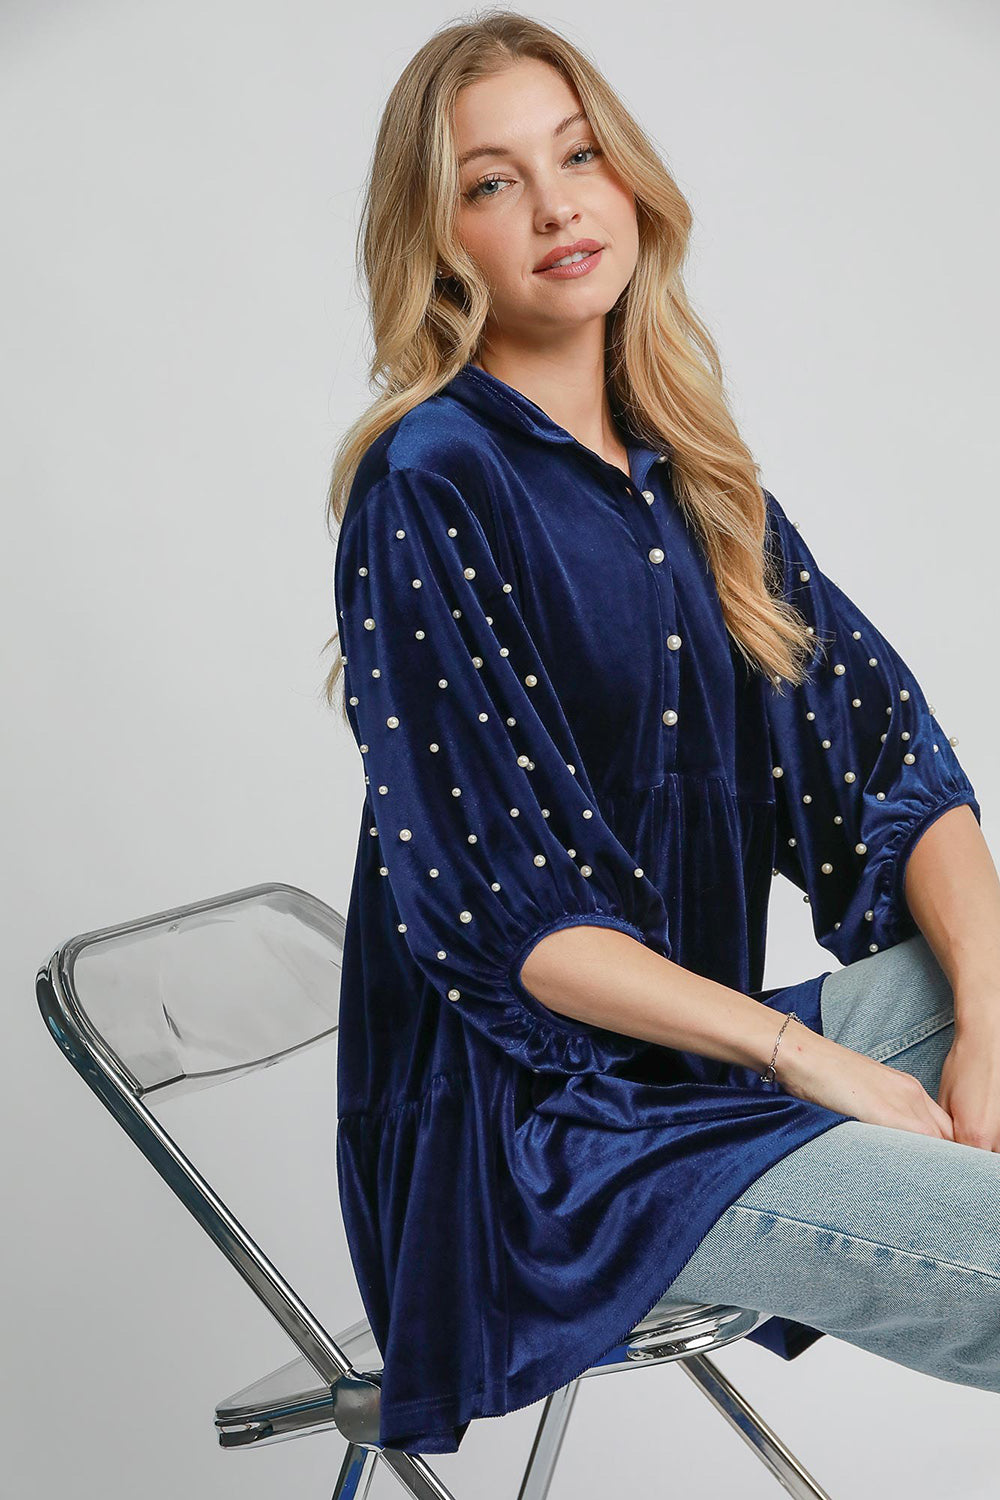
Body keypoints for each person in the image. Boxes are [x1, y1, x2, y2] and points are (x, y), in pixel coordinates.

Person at [321, 13, 996, 1456]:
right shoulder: (429, 483)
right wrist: (804, 1060)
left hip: (685, 1089)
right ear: (439, 236)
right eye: (493, 181)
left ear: (630, 178)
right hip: (536, 1165)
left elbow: (895, 768)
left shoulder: (685, 467)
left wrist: (987, 1031)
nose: (558, 203)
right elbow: (515, 927)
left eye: (579, 154)